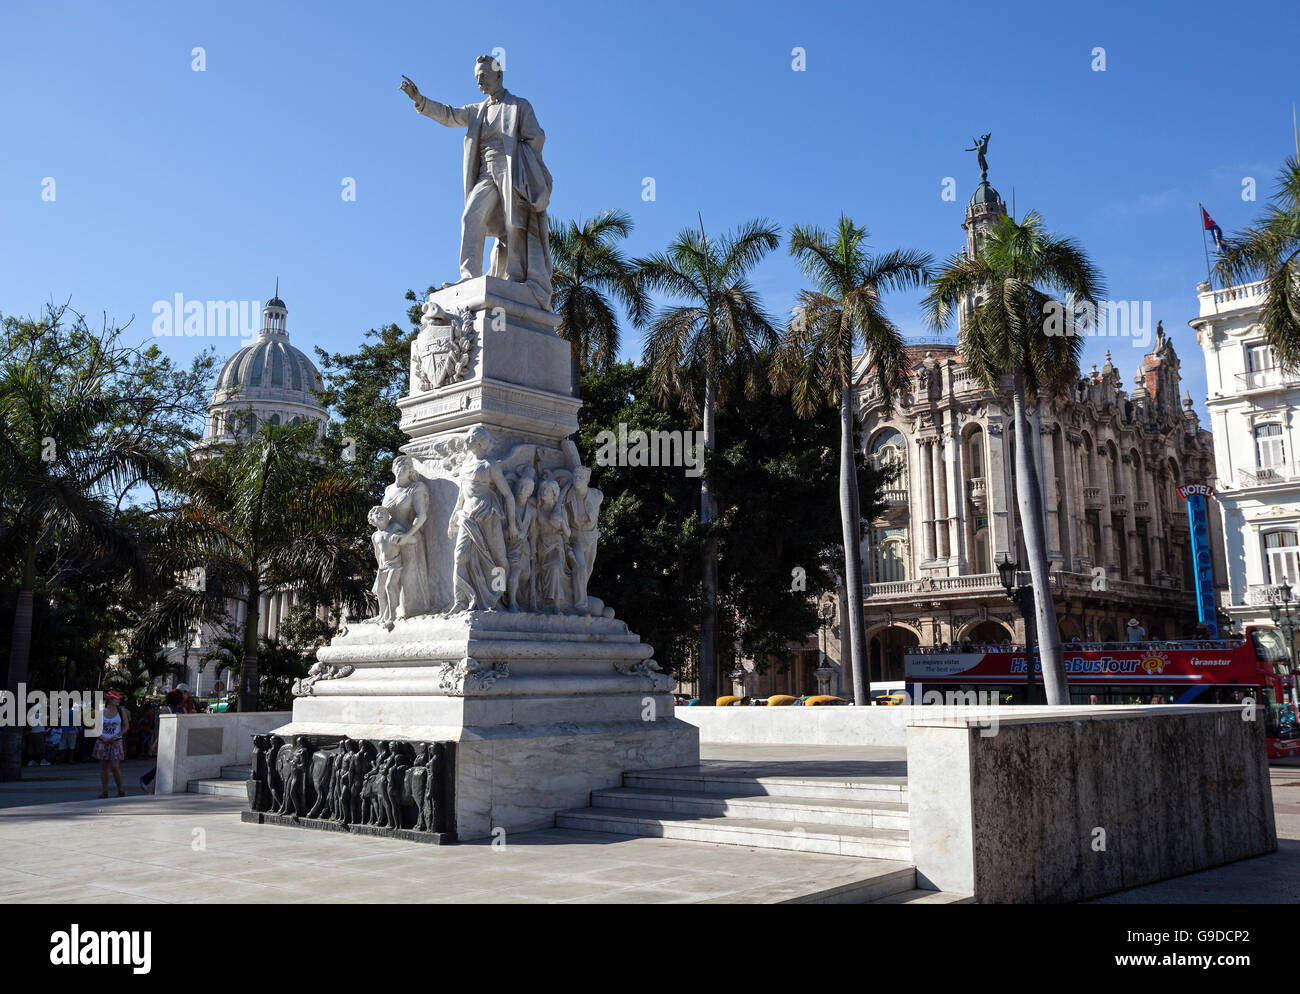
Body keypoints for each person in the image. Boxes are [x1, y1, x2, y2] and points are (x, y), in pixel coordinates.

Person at [140, 691, 184, 794]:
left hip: (174, 741)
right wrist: (156, 742)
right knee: (162, 766)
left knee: (163, 766)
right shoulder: (167, 710)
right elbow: (164, 728)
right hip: (167, 741)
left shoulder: (181, 710)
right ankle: (150, 786)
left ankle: (148, 783)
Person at [94, 691, 129, 798]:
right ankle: (105, 791)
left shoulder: (120, 711)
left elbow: (126, 726)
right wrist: (103, 738)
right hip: (103, 741)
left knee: (115, 766)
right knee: (104, 767)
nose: (118, 701)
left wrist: (117, 736)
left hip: (116, 742)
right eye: (116, 699)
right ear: (110, 700)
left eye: (119, 699)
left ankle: (120, 790)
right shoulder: (100, 712)